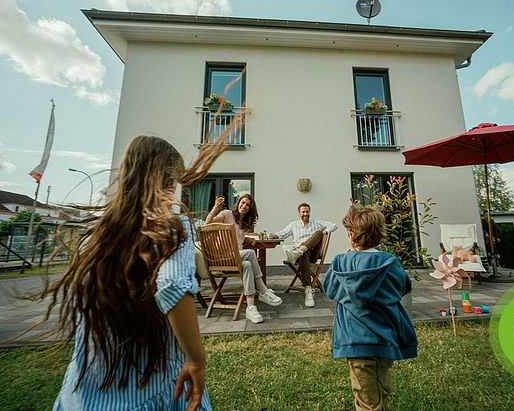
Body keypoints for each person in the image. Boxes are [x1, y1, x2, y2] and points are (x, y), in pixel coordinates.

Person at [43, 136, 216, 410]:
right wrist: (196, 359)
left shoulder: (94, 235)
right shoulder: (171, 228)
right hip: (151, 387)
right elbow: (171, 284)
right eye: (174, 184)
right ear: (164, 181)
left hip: (86, 390)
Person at [324, 204, 418, 411]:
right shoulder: (389, 262)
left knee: (366, 397)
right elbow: (403, 286)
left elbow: (329, 288)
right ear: (379, 234)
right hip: (385, 338)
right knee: (382, 387)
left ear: (350, 234)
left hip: (355, 341)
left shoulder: (340, 262)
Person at [205, 194, 282, 323]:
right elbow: (207, 224)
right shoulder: (227, 214)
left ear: (250, 209)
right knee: (251, 254)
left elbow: (236, 238)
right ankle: (263, 291)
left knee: (247, 264)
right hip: (222, 258)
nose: (244, 206)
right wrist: (215, 208)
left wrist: (248, 239)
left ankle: (250, 307)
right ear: (238, 202)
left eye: (247, 205)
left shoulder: (243, 223)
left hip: (235, 259)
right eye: (243, 202)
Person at [271, 202, 337, 307]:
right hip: (300, 256)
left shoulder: (316, 222)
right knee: (303, 254)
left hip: (313, 254)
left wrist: (325, 232)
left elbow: (334, 225)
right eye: (303, 212)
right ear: (299, 213)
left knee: (319, 232)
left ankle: (299, 251)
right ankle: (308, 289)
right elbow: (283, 233)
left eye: (307, 211)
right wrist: (273, 236)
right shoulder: (293, 224)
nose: (305, 214)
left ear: (310, 212)